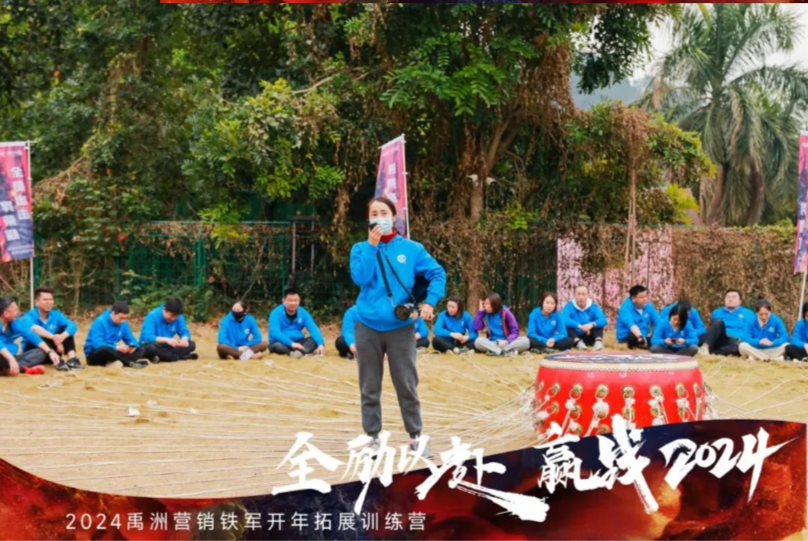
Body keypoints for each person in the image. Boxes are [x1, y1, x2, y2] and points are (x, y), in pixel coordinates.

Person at [350, 196, 446, 457]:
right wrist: (372, 247)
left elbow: (437, 273)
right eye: (374, 213)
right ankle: (372, 438)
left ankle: (416, 437)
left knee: (406, 383)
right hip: (367, 326)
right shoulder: (360, 248)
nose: (379, 217)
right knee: (369, 386)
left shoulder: (412, 249)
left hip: (400, 327)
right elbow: (361, 278)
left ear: (394, 217)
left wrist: (430, 301)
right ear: (368, 219)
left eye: (384, 212)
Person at [21, 286, 82, 371]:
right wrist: (54, 338)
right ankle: (58, 361)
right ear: (37, 302)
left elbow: (73, 326)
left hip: (53, 351)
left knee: (65, 328)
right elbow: (34, 329)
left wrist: (62, 337)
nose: (49, 302)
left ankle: (72, 360)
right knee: (39, 334)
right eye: (45, 300)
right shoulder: (28, 316)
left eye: (51, 299)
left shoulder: (56, 314)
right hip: (34, 352)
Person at [0, 297, 61, 376]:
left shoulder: (16, 322)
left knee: (40, 353)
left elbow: (32, 336)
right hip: (5, 357)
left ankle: (12, 369)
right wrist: (11, 359)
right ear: (6, 314)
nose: (17, 313)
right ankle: (13, 368)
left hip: (9, 358)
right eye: (15, 310)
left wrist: (50, 352)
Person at [84, 301, 148, 369]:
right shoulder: (99, 322)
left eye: (125, 318)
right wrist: (116, 348)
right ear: (113, 313)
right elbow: (97, 344)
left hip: (114, 353)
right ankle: (128, 363)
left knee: (140, 349)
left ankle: (118, 362)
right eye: (121, 318)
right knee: (105, 349)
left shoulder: (123, 324)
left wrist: (132, 346)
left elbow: (131, 339)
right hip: (96, 354)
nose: (122, 321)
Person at [268, 288, 325, 358]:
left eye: (296, 300)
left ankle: (299, 352)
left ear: (299, 300)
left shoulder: (303, 313)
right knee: (276, 346)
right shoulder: (275, 313)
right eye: (290, 300)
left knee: (314, 339)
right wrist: (291, 343)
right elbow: (275, 332)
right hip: (281, 342)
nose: (293, 303)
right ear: (284, 301)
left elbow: (313, 328)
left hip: (299, 342)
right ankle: (303, 351)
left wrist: (320, 344)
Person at [139, 298, 198, 363]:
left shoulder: (179, 317)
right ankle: (180, 357)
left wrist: (184, 339)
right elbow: (147, 337)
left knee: (191, 344)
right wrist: (167, 340)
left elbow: (185, 332)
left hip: (167, 348)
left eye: (176, 316)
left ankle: (164, 357)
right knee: (151, 348)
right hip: (153, 346)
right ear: (164, 309)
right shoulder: (152, 316)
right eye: (171, 315)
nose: (173, 319)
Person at [705, 289, 756, 357]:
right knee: (718, 322)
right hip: (721, 338)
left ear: (740, 301)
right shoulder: (717, 312)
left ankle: (714, 353)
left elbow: (751, 331)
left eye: (733, 297)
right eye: (728, 297)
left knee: (737, 347)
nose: (730, 299)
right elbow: (713, 329)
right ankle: (705, 347)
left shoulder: (748, 314)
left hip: (735, 341)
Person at [561, 285, 607, 351]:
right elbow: (563, 319)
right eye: (578, 294)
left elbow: (603, 319)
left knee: (598, 324)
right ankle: (578, 343)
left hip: (588, 334)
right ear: (574, 295)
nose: (581, 297)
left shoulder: (593, 306)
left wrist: (591, 324)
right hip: (575, 336)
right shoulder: (568, 306)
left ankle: (598, 343)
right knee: (567, 327)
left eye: (583, 294)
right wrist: (579, 326)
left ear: (587, 295)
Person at [616, 285, 659, 349]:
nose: (645, 299)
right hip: (628, 336)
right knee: (632, 337)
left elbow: (658, 322)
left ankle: (650, 343)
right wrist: (640, 338)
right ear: (633, 298)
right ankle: (645, 344)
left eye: (646, 296)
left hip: (644, 336)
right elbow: (631, 325)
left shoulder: (649, 307)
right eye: (642, 297)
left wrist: (658, 335)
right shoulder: (625, 309)